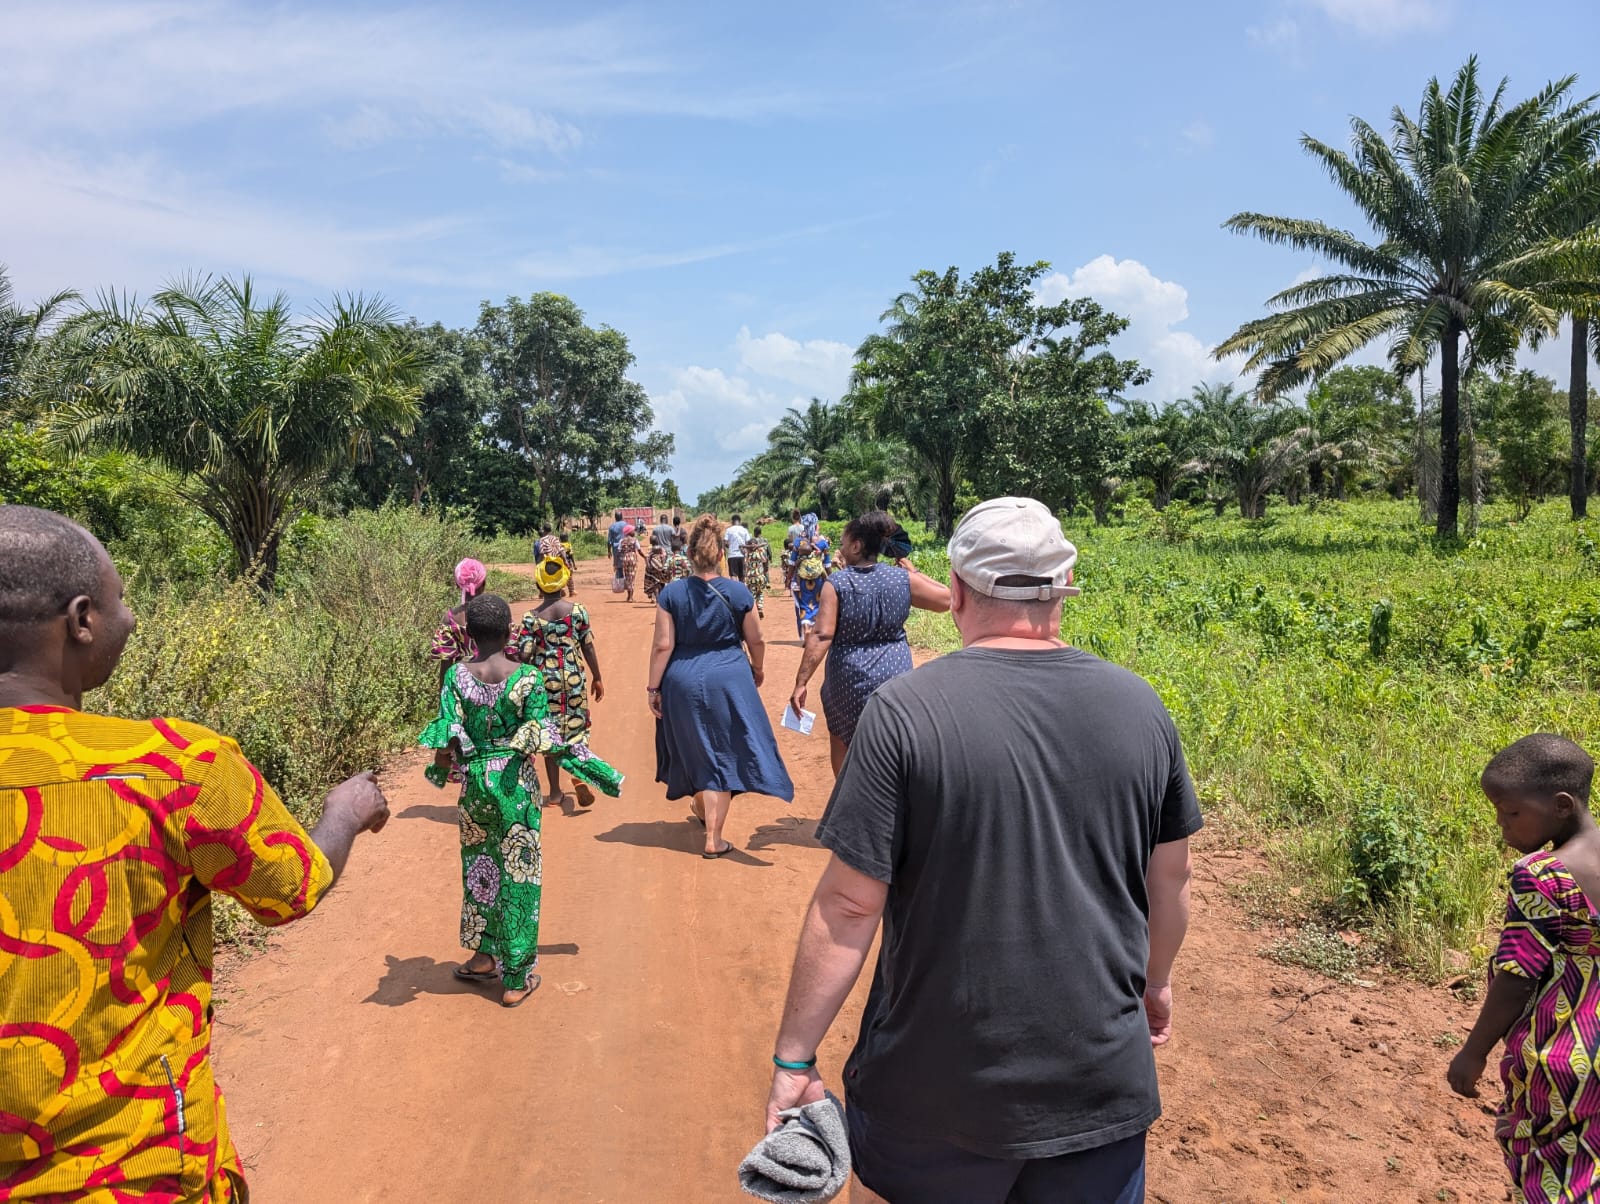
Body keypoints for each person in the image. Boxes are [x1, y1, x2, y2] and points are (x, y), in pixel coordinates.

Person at [763, 496, 1201, 1204]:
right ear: (1065, 589)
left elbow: (848, 906)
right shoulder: (1141, 707)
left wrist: (794, 1058)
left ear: (959, 591)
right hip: (1099, 1091)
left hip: (930, 1095)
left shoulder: (903, 713)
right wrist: (1156, 985)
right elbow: (1171, 880)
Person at [0, 505, 391, 1201]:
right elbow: (291, 885)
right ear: (81, 618)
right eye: (122, 602)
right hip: (142, 1174)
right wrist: (345, 813)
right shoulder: (172, 769)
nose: (131, 620)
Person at [422, 593, 622, 1007]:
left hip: (475, 785)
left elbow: (447, 743)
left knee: (480, 868)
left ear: (470, 636)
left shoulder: (456, 678)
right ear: (510, 633)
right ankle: (515, 979)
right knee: (519, 876)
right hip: (517, 785)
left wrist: (444, 769)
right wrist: (597, 772)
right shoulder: (528, 679)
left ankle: (482, 958)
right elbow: (549, 741)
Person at [1447, 734, 1600, 1204]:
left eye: (1511, 812)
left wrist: (1472, 1053)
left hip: (1565, 1049)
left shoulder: (1542, 874)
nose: (1502, 826)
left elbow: (1519, 972)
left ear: (1560, 805)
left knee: (1555, 1175)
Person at [648, 514, 794, 858]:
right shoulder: (738, 591)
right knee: (725, 751)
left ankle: (703, 809)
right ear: (720, 554)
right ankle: (713, 837)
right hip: (730, 677)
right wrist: (757, 668)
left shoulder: (672, 593)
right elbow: (756, 639)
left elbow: (662, 646)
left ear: (689, 554)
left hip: (682, 680)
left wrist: (653, 689)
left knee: (697, 748)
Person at [790, 511, 951, 776]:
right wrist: (915, 572)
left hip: (848, 679)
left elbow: (821, 636)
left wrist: (801, 682)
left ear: (856, 546)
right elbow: (946, 600)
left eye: (843, 542)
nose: (840, 548)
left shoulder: (838, 583)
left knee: (842, 738)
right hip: (895, 676)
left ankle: (848, 803)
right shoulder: (902, 580)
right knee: (893, 741)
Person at [515, 556, 606, 810]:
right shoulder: (577, 612)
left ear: (539, 585)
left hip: (545, 684)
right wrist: (597, 677)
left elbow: (523, 655)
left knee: (550, 735)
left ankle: (555, 793)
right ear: (565, 582)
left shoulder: (531, 619)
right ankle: (578, 775)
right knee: (578, 729)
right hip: (574, 680)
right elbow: (588, 646)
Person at [431, 558, 512, 695]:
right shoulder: (497, 611)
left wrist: (444, 698)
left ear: (458, 585)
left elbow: (446, 664)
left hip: (464, 686)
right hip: (497, 681)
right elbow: (511, 653)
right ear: (484, 584)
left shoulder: (450, 619)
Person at [744, 532, 773, 619]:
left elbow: (745, 563)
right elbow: (764, 560)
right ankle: (760, 607)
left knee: (751, 594)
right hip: (760, 577)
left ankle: (754, 612)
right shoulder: (760, 551)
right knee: (760, 593)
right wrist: (758, 547)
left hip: (751, 577)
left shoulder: (747, 553)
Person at [617, 522, 642, 602]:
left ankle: (628, 596)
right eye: (633, 530)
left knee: (627, 577)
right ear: (629, 532)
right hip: (632, 559)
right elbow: (639, 550)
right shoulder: (634, 540)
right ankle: (631, 597)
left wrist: (617, 562)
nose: (634, 532)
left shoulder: (622, 540)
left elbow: (618, 551)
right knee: (632, 577)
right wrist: (645, 557)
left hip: (624, 559)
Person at [782, 509, 806, 591]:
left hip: (795, 550)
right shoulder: (803, 527)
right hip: (804, 550)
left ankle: (790, 583)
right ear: (799, 518)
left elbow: (790, 541)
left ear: (792, 518)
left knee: (793, 567)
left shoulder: (790, 528)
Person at [725, 513, 752, 583]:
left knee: (733, 575)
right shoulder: (744, 530)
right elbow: (749, 542)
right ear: (740, 521)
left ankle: (734, 592)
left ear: (732, 521)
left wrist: (730, 546)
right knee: (742, 576)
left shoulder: (728, 530)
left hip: (732, 556)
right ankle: (741, 591)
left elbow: (725, 542)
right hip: (742, 555)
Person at [644, 538, 672, 603]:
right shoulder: (661, 555)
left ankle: (657, 600)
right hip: (660, 574)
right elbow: (664, 563)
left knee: (655, 587)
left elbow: (648, 566)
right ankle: (660, 600)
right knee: (661, 586)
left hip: (653, 574)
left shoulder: (651, 556)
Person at [608, 509, 627, 576]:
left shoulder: (612, 527)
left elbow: (609, 541)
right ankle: (627, 583)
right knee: (626, 565)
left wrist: (609, 551)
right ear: (622, 517)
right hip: (626, 548)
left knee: (619, 567)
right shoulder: (626, 524)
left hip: (616, 548)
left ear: (615, 518)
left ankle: (620, 582)